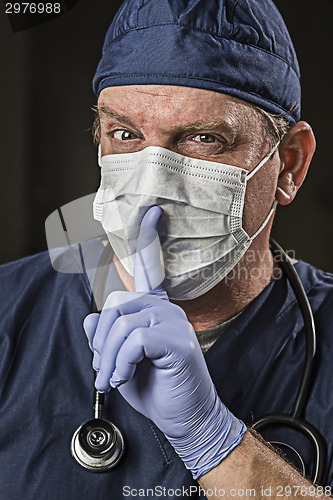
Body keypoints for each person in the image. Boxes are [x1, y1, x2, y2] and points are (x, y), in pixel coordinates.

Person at [0, 0, 332, 499]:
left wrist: (212, 438)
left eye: (204, 138)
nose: (153, 184)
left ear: (289, 166)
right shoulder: (8, 312)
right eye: (125, 134)